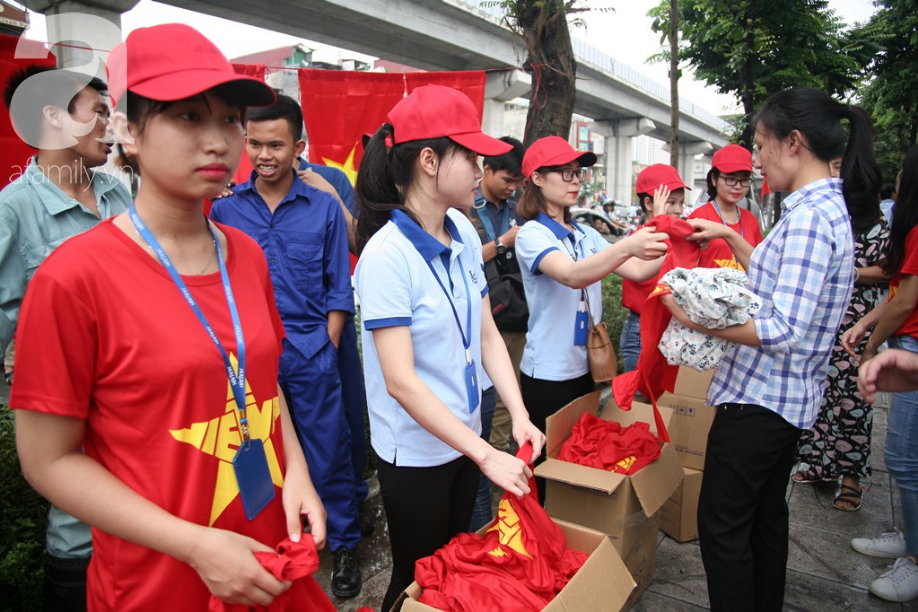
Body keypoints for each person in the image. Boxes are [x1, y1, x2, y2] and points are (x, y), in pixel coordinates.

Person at [11, 24, 333, 611]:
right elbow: (47, 460)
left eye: (231, 119)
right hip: (159, 582)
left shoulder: (246, 255)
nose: (219, 142)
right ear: (129, 130)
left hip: (268, 561)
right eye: (188, 117)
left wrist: (299, 475)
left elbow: (260, 383)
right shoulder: (75, 278)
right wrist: (195, 546)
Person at [664, 87, 881, 611]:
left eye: (761, 145)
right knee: (764, 518)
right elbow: (781, 278)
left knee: (721, 523)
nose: (756, 160)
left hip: (761, 403)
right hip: (785, 400)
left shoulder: (808, 218)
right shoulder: (823, 208)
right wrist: (728, 235)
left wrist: (694, 318)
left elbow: (783, 327)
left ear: (794, 143)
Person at [353, 85, 545, 612]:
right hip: (416, 452)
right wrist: (487, 455)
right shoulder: (386, 258)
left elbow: (486, 334)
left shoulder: (460, 228)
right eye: (472, 156)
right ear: (431, 161)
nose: (482, 166)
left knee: (453, 564)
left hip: (466, 433)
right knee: (416, 576)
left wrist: (520, 415)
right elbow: (400, 381)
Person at [210, 94, 362, 599]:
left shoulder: (323, 208)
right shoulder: (224, 209)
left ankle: (342, 547)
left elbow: (339, 288)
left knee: (328, 452)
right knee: (257, 453)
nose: (262, 155)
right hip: (248, 360)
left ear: (298, 146)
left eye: (275, 144)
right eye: (253, 143)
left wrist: (325, 347)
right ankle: (277, 545)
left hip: (311, 353)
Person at [0, 65, 133, 610]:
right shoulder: (14, 212)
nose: (109, 125)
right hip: (79, 481)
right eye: (97, 112)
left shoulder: (121, 197)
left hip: (147, 447)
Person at [514, 136, 670, 502]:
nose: (575, 180)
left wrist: (669, 228)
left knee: (575, 456)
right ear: (537, 178)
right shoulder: (531, 234)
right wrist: (626, 244)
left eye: (578, 173)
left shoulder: (585, 233)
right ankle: (536, 533)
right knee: (543, 467)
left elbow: (637, 269)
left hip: (585, 369)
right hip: (548, 374)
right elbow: (572, 275)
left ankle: (569, 529)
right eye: (565, 173)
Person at [842, 144, 918, 602]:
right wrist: (866, 326)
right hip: (902, 343)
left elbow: (907, 298)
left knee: (906, 458)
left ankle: (913, 559)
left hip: (909, 346)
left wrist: (870, 345)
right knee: (902, 456)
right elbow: (899, 292)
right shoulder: (906, 230)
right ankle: (910, 537)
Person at [791, 183, 888, 512]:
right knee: (820, 394)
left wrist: (852, 273)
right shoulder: (832, 220)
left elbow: (890, 270)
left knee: (854, 402)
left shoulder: (879, 227)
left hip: (859, 326)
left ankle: (851, 478)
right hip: (824, 322)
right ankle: (819, 465)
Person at [467, 136, 526, 531]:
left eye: (517, 181)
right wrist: (505, 241)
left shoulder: (518, 209)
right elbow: (469, 256)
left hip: (514, 319)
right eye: (506, 178)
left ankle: (500, 499)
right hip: (482, 323)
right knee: (482, 408)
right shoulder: (466, 210)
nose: (511, 187)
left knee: (507, 406)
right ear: (485, 170)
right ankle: (483, 499)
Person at [619, 164, 688, 372]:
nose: (678, 209)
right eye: (671, 202)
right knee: (639, 399)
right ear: (649, 203)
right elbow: (641, 271)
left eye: (681, 203)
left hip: (671, 326)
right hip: (642, 328)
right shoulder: (636, 241)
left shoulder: (678, 238)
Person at [688, 145, 764, 271]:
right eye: (730, 179)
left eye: (744, 180)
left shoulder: (751, 220)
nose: (738, 186)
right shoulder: (699, 218)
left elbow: (760, 264)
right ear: (714, 179)